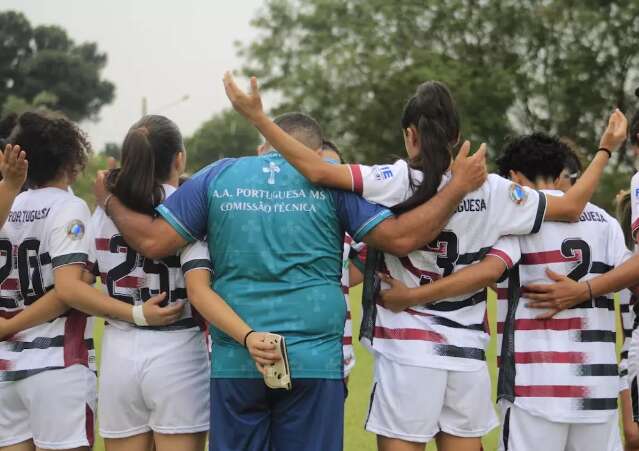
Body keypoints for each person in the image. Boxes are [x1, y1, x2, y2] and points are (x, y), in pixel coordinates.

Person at [223, 72, 628, 451]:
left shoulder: (395, 180)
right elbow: (573, 204)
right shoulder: (494, 191)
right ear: (455, 135)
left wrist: (259, 117)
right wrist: (606, 147)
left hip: (408, 354)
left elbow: (316, 168)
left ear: (409, 134)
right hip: (467, 356)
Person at [93, 106, 488, 451]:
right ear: (313, 153)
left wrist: (108, 201)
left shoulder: (219, 175)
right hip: (313, 358)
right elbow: (401, 238)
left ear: (263, 146)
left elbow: (153, 241)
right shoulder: (329, 179)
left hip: (237, 357)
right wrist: (456, 189)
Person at [0, 111, 179, 451]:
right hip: (56, 366)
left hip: (7, 369)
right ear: (72, 159)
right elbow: (69, 289)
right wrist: (137, 313)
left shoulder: (8, 204)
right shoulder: (70, 209)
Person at [88, 115, 211, 451]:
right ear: (179, 158)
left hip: (117, 349)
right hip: (179, 348)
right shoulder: (192, 203)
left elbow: (81, 282)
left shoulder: (103, 209)